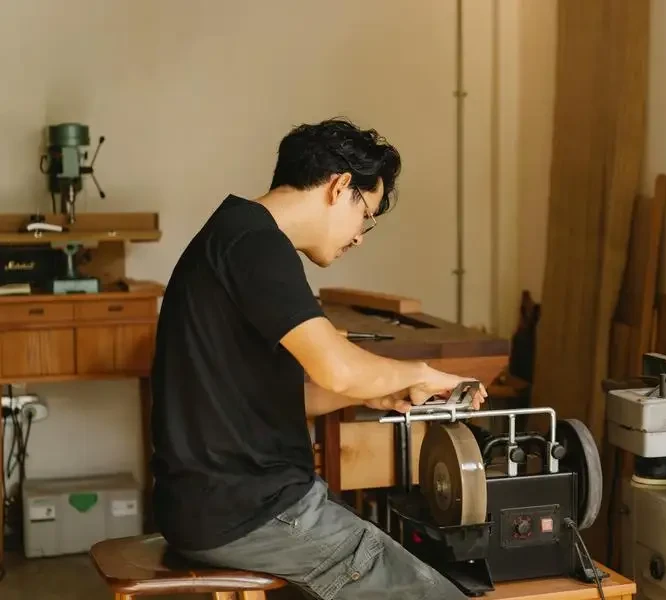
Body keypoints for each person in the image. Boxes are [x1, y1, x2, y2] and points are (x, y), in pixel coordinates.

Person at [149, 118, 486, 599]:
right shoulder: (258, 246)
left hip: (212, 505)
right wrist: (419, 370)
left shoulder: (235, 234)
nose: (359, 237)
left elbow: (273, 397)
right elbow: (339, 367)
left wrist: (386, 388)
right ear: (340, 186)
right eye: (365, 215)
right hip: (251, 512)